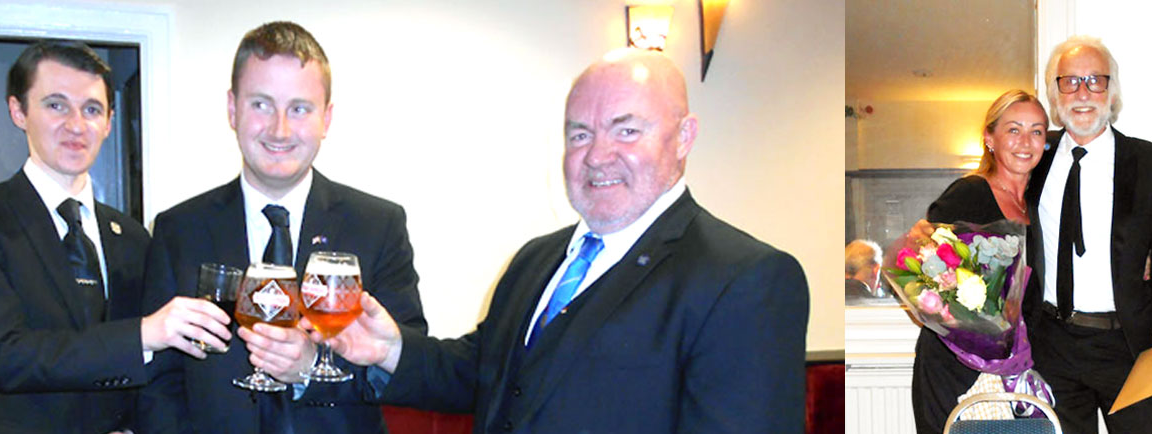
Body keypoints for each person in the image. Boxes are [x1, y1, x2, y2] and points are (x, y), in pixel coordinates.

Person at [322, 49, 809, 433]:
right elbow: (484, 374)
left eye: (627, 130)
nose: (598, 155)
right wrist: (389, 349)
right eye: (579, 135)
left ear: (684, 137)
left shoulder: (745, 279)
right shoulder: (537, 259)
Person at [137, 22, 427, 434]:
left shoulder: (379, 226)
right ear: (232, 109)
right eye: (261, 104)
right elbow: (159, 382)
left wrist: (311, 368)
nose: (280, 129)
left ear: (326, 118)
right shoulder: (177, 230)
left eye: (299, 108)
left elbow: (404, 371)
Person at [0, 40, 231, 434]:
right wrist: (144, 332)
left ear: (109, 122)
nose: (76, 125)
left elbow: (151, 370)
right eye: (56, 104)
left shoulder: (132, 236)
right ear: (18, 111)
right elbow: (6, 357)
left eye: (92, 109)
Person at [1023, 35, 1152, 433]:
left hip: (1130, 346)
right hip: (1051, 346)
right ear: (1054, 92)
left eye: (1095, 80)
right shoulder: (1033, 159)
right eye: (1070, 81)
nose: (1083, 92)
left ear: (1112, 90)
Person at [909, 89, 1048, 432]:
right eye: (1013, 129)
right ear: (989, 137)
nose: (1025, 141)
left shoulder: (1036, 204)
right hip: (954, 364)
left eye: (1037, 131)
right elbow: (920, 258)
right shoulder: (969, 192)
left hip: (1015, 367)